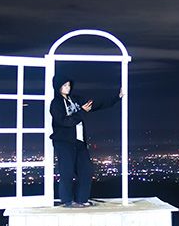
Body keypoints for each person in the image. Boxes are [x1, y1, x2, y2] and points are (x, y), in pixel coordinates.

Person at [49, 74, 123, 207]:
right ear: (58, 87)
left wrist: (116, 98)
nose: (68, 88)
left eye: (69, 85)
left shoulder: (75, 100)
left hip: (79, 141)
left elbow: (96, 104)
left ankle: (81, 200)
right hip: (64, 142)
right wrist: (81, 112)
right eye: (64, 85)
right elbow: (64, 122)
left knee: (86, 171)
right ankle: (67, 201)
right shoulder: (56, 103)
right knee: (66, 172)